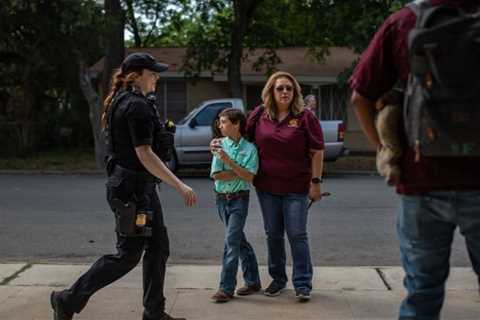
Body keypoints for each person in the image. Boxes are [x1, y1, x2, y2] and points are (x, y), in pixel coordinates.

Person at [349, 1, 480, 319]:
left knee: (422, 292)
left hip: (420, 182)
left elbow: (360, 96)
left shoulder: (404, 22)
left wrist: (387, 150)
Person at [50, 52, 197, 320]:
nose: (156, 77)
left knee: (158, 246)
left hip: (140, 189)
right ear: (136, 75)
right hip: (132, 192)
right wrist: (179, 185)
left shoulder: (129, 101)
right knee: (128, 256)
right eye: (152, 73)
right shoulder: (135, 106)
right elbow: (145, 154)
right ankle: (67, 299)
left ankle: (154, 312)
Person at [212, 71, 325, 301]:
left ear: (295, 93)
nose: (284, 92)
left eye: (289, 88)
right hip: (267, 187)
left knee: (297, 234)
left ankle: (303, 283)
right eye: (279, 88)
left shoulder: (305, 117)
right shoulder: (260, 115)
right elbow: (239, 135)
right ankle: (278, 280)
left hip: (296, 187)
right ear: (271, 92)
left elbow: (317, 151)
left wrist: (315, 182)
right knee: (273, 235)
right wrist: (219, 141)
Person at [209, 108, 261, 303]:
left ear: (236, 123)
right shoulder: (219, 145)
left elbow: (250, 177)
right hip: (221, 199)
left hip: (240, 199)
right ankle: (253, 281)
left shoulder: (250, 149)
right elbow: (216, 175)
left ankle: (226, 288)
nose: (219, 125)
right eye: (219, 122)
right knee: (239, 241)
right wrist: (240, 171)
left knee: (231, 241)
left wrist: (228, 162)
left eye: (223, 122)